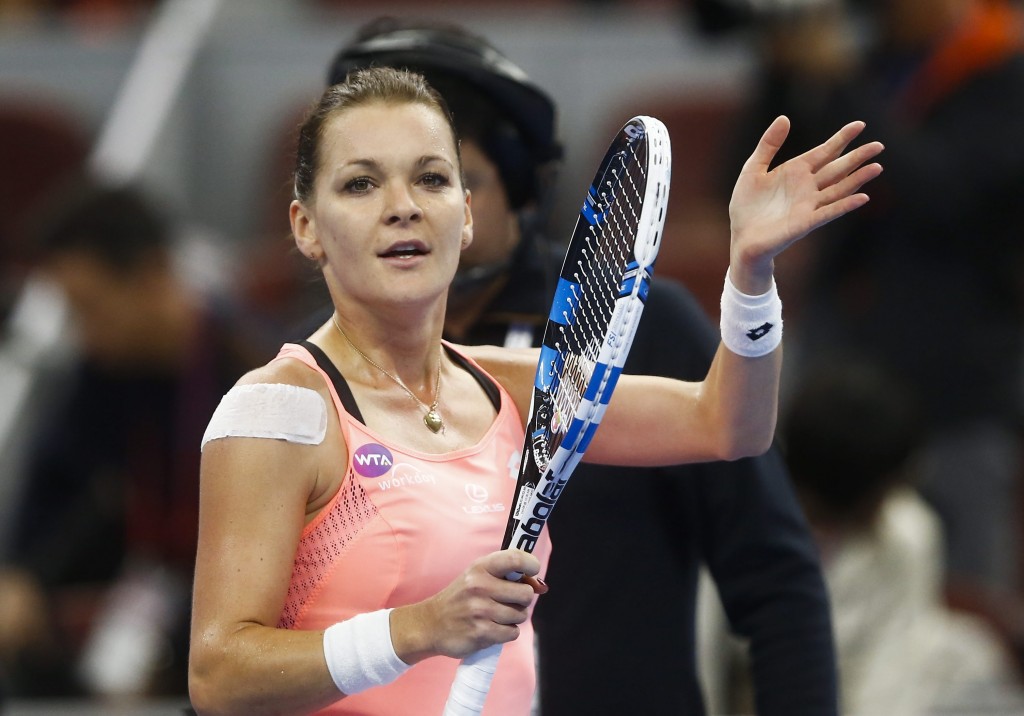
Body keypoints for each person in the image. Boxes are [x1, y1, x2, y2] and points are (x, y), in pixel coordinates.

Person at [185, 65, 881, 715]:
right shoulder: (281, 410)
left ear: (465, 215)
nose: (401, 207)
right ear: (307, 227)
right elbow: (218, 673)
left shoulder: (515, 387)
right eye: (361, 184)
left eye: (430, 179)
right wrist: (419, 628)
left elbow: (729, 425)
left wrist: (752, 276)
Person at [0, 179, 272, 699]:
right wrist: (21, 577)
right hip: (149, 607)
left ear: (152, 276)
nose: (82, 332)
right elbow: (50, 486)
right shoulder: (100, 377)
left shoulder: (255, 371)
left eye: (88, 307)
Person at [700, 358, 1024, 714]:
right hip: (759, 689)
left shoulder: (906, 532)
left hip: (856, 687)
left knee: (974, 661)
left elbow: (890, 678)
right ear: (869, 490)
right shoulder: (735, 522)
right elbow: (702, 660)